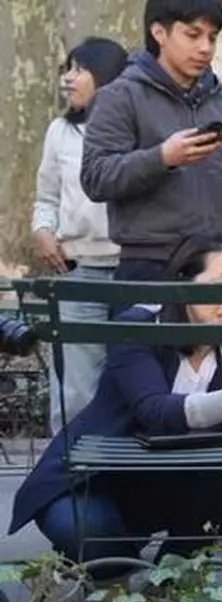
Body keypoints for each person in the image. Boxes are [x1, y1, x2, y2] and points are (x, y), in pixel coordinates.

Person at [8, 240, 222, 578]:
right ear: (184, 284)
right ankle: (113, 574)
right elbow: (156, 411)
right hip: (92, 480)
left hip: (170, 487)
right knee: (86, 533)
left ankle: (168, 582)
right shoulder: (140, 325)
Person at [81, 0, 222, 284]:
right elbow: (96, 178)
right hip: (151, 264)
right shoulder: (120, 96)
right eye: (193, 34)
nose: (205, 48)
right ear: (159, 33)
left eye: (212, 37)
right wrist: (162, 158)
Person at [31, 38, 129, 432]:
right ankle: (68, 477)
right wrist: (41, 229)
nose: (68, 79)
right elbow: (47, 196)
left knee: (132, 377)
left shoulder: (135, 126)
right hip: (77, 269)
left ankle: (126, 473)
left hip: (133, 268)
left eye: (79, 69)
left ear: (106, 77)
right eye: (66, 70)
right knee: (75, 389)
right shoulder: (59, 130)